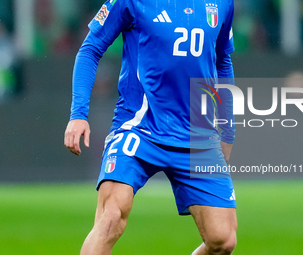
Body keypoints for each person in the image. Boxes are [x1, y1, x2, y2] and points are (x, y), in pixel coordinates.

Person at [64, 0, 237, 254]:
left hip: (197, 135)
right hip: (138, 127)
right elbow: (90, 48)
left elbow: (222, 60)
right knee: (111, 217)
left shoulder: (222, 3)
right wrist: (78, 113)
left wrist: (227, 127)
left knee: (223, 241)